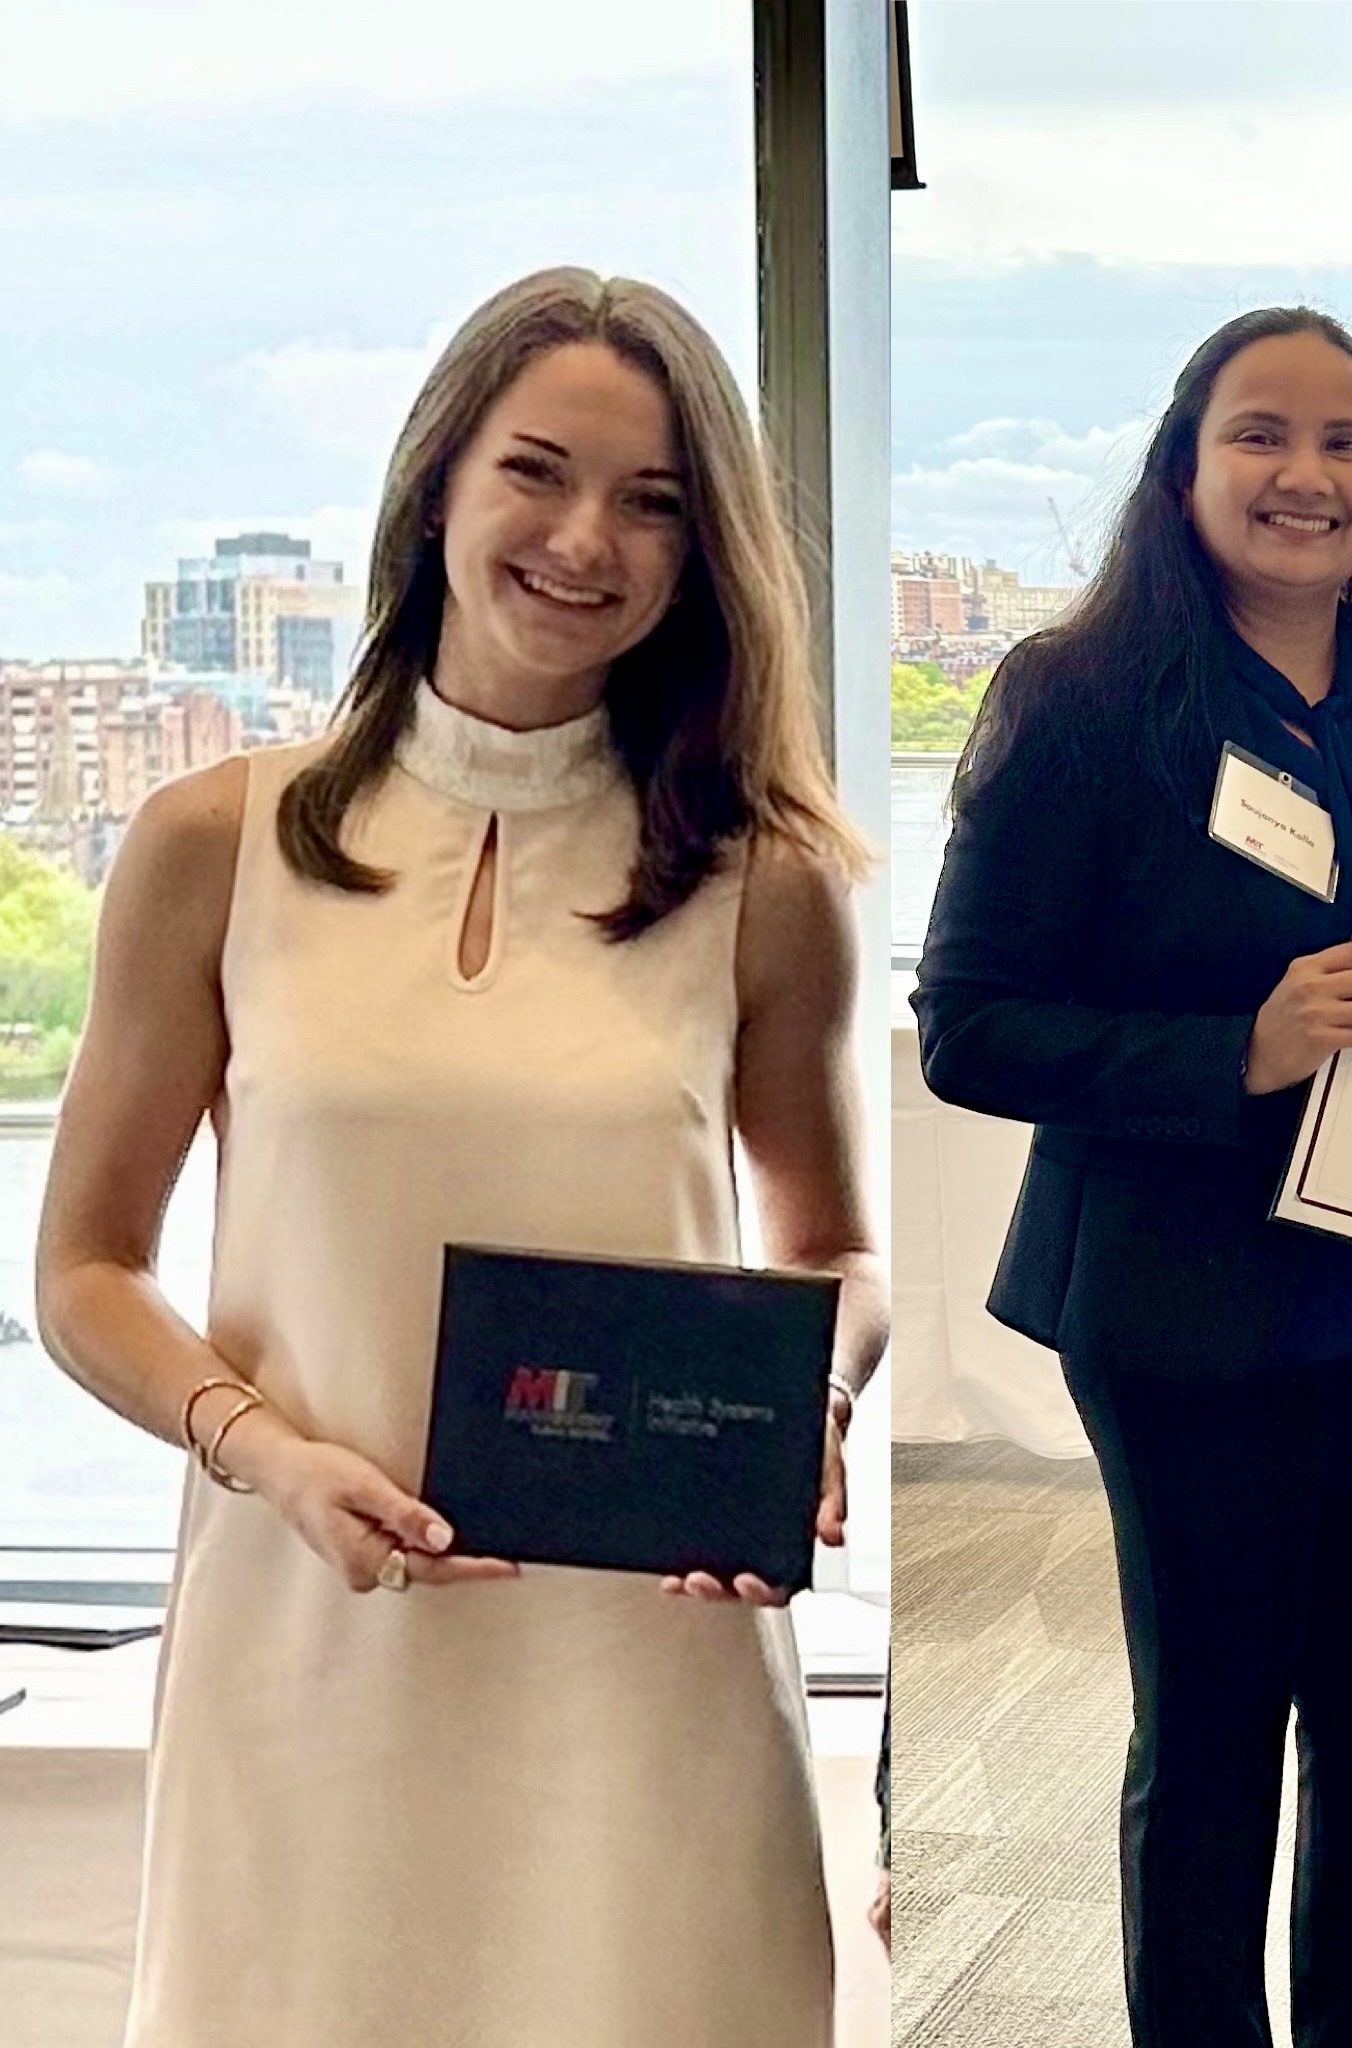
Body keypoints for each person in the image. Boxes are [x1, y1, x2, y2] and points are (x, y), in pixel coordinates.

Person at [35, 267, 885, 2048]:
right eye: (539, 471)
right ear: (438, 487)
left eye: (654, 502)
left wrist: (802, 1397)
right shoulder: (215, 845)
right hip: (312, 1639)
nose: (588, 539)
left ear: (701, 551)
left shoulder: (764, 879)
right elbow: (86, 1272)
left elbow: (833, 1251)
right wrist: (264, 1456)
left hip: (648, 1648)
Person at [914, 307, 1352, 2048]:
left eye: (1348, 442)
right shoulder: (1079, 699)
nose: (1306, 476)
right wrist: (1237, 1050)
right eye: (1262, 434)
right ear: (1183, 466)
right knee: (1217, 1731)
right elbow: (972, 1028)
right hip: (1184, 1313)